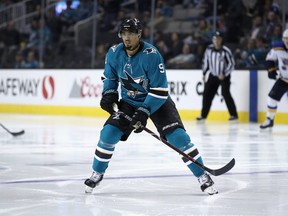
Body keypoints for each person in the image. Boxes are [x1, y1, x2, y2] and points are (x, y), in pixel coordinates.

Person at [84, 18, 218, 195]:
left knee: (178, 138)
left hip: (156, 101)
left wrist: (144, 112)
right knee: (108, 134)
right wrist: (109, 94)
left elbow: (160, 90)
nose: (127, 38)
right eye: (124, 34)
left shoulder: (151, 55)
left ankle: (202, 175)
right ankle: (97, 173)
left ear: (139, 34)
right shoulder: (114, 53)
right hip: (129, 103)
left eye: (131, 34)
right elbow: (110, 78)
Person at [196, 31, 238, 122]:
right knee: (207, 94)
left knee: (225, 94)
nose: (216, 41)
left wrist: (225, 74)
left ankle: (234, 115)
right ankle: (203, 116)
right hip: (213, 75)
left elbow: (231, 64)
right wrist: (204, 73)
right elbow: (206, 62)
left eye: (218, 39)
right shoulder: (209, 49)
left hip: (224, 76)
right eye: (215, 39)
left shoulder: (226, 51)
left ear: (221, 40)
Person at [259, 29, 288, 129]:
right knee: (271, 98)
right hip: (284, 79)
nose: (287, 41)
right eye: (286, 39)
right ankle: (269, 119)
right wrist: (271, 70)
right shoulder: (277, 47)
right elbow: (270, 59)